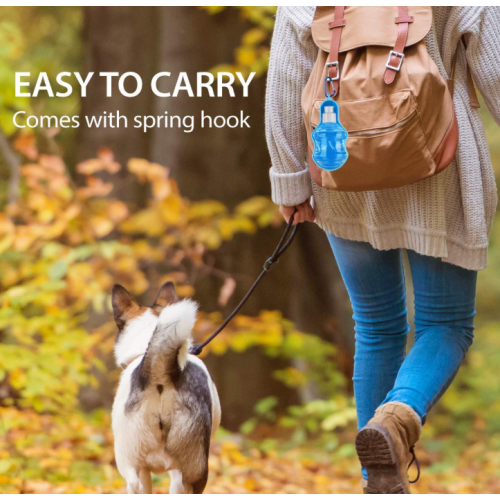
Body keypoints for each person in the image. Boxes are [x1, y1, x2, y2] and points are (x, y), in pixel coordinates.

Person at [266, 6, 500, 494]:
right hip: (439, 160)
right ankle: (397, 418)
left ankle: (378, 481)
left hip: (341, 164)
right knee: (446, 324)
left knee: (375, 325)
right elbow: (494, 68)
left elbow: (286, 78)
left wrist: (290, 182)